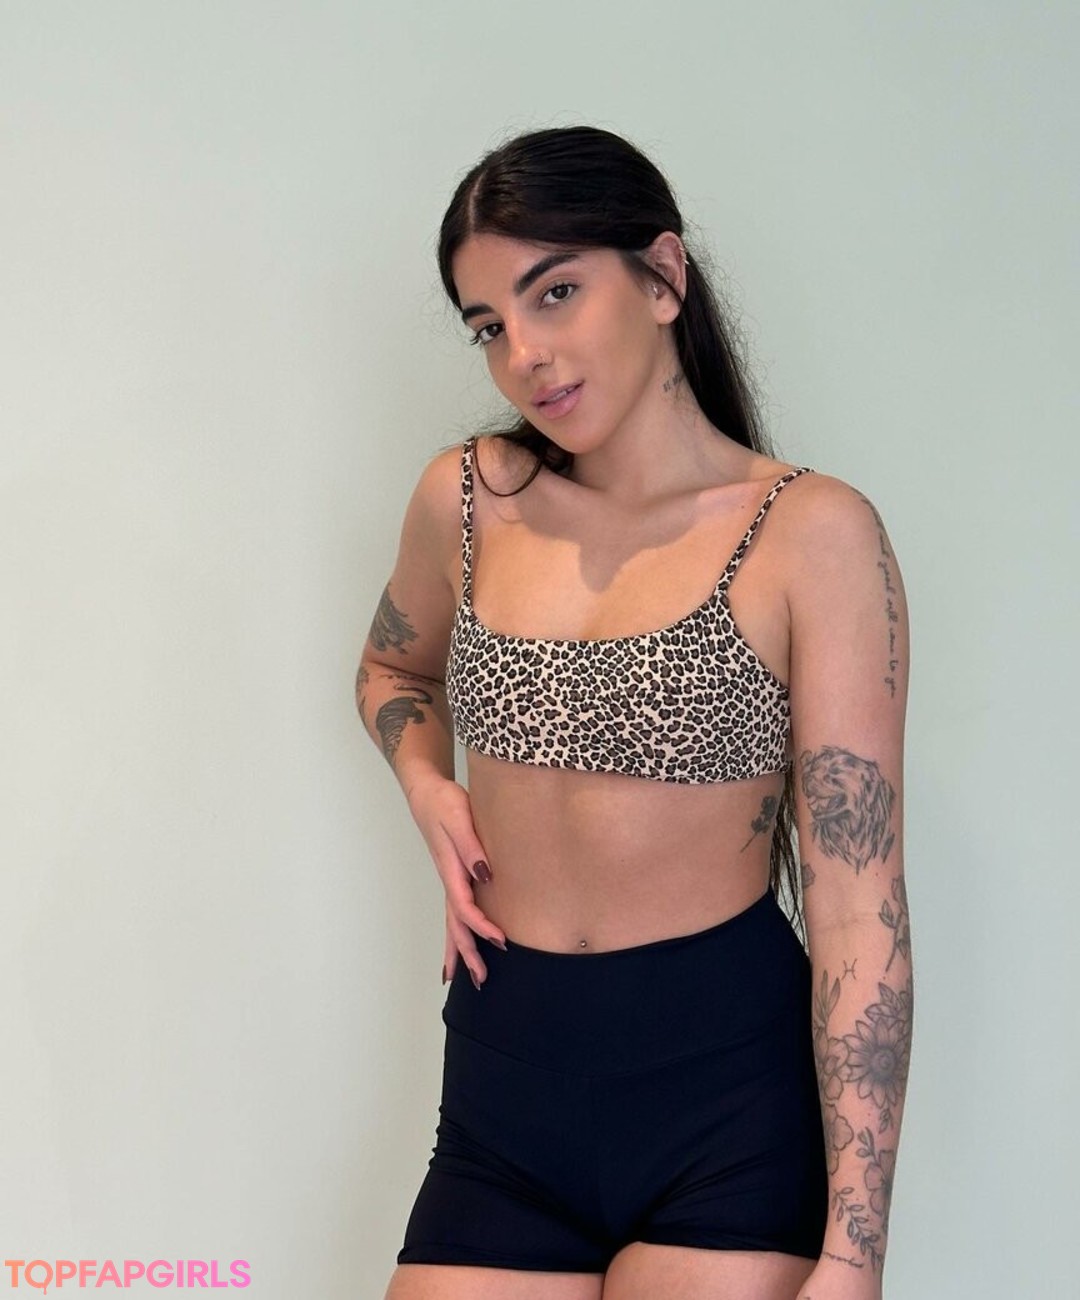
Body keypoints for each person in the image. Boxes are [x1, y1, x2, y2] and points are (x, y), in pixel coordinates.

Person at [357, 125, 913, 1300]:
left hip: (726, 1104)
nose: (525, 354)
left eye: (554, 291)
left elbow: (859, 905)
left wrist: (855, 1255)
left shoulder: (811, 534)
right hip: (504, 1087)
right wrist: (428, 784)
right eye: (489, 325)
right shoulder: (467, 498)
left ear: (662, 276)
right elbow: (394, 672)